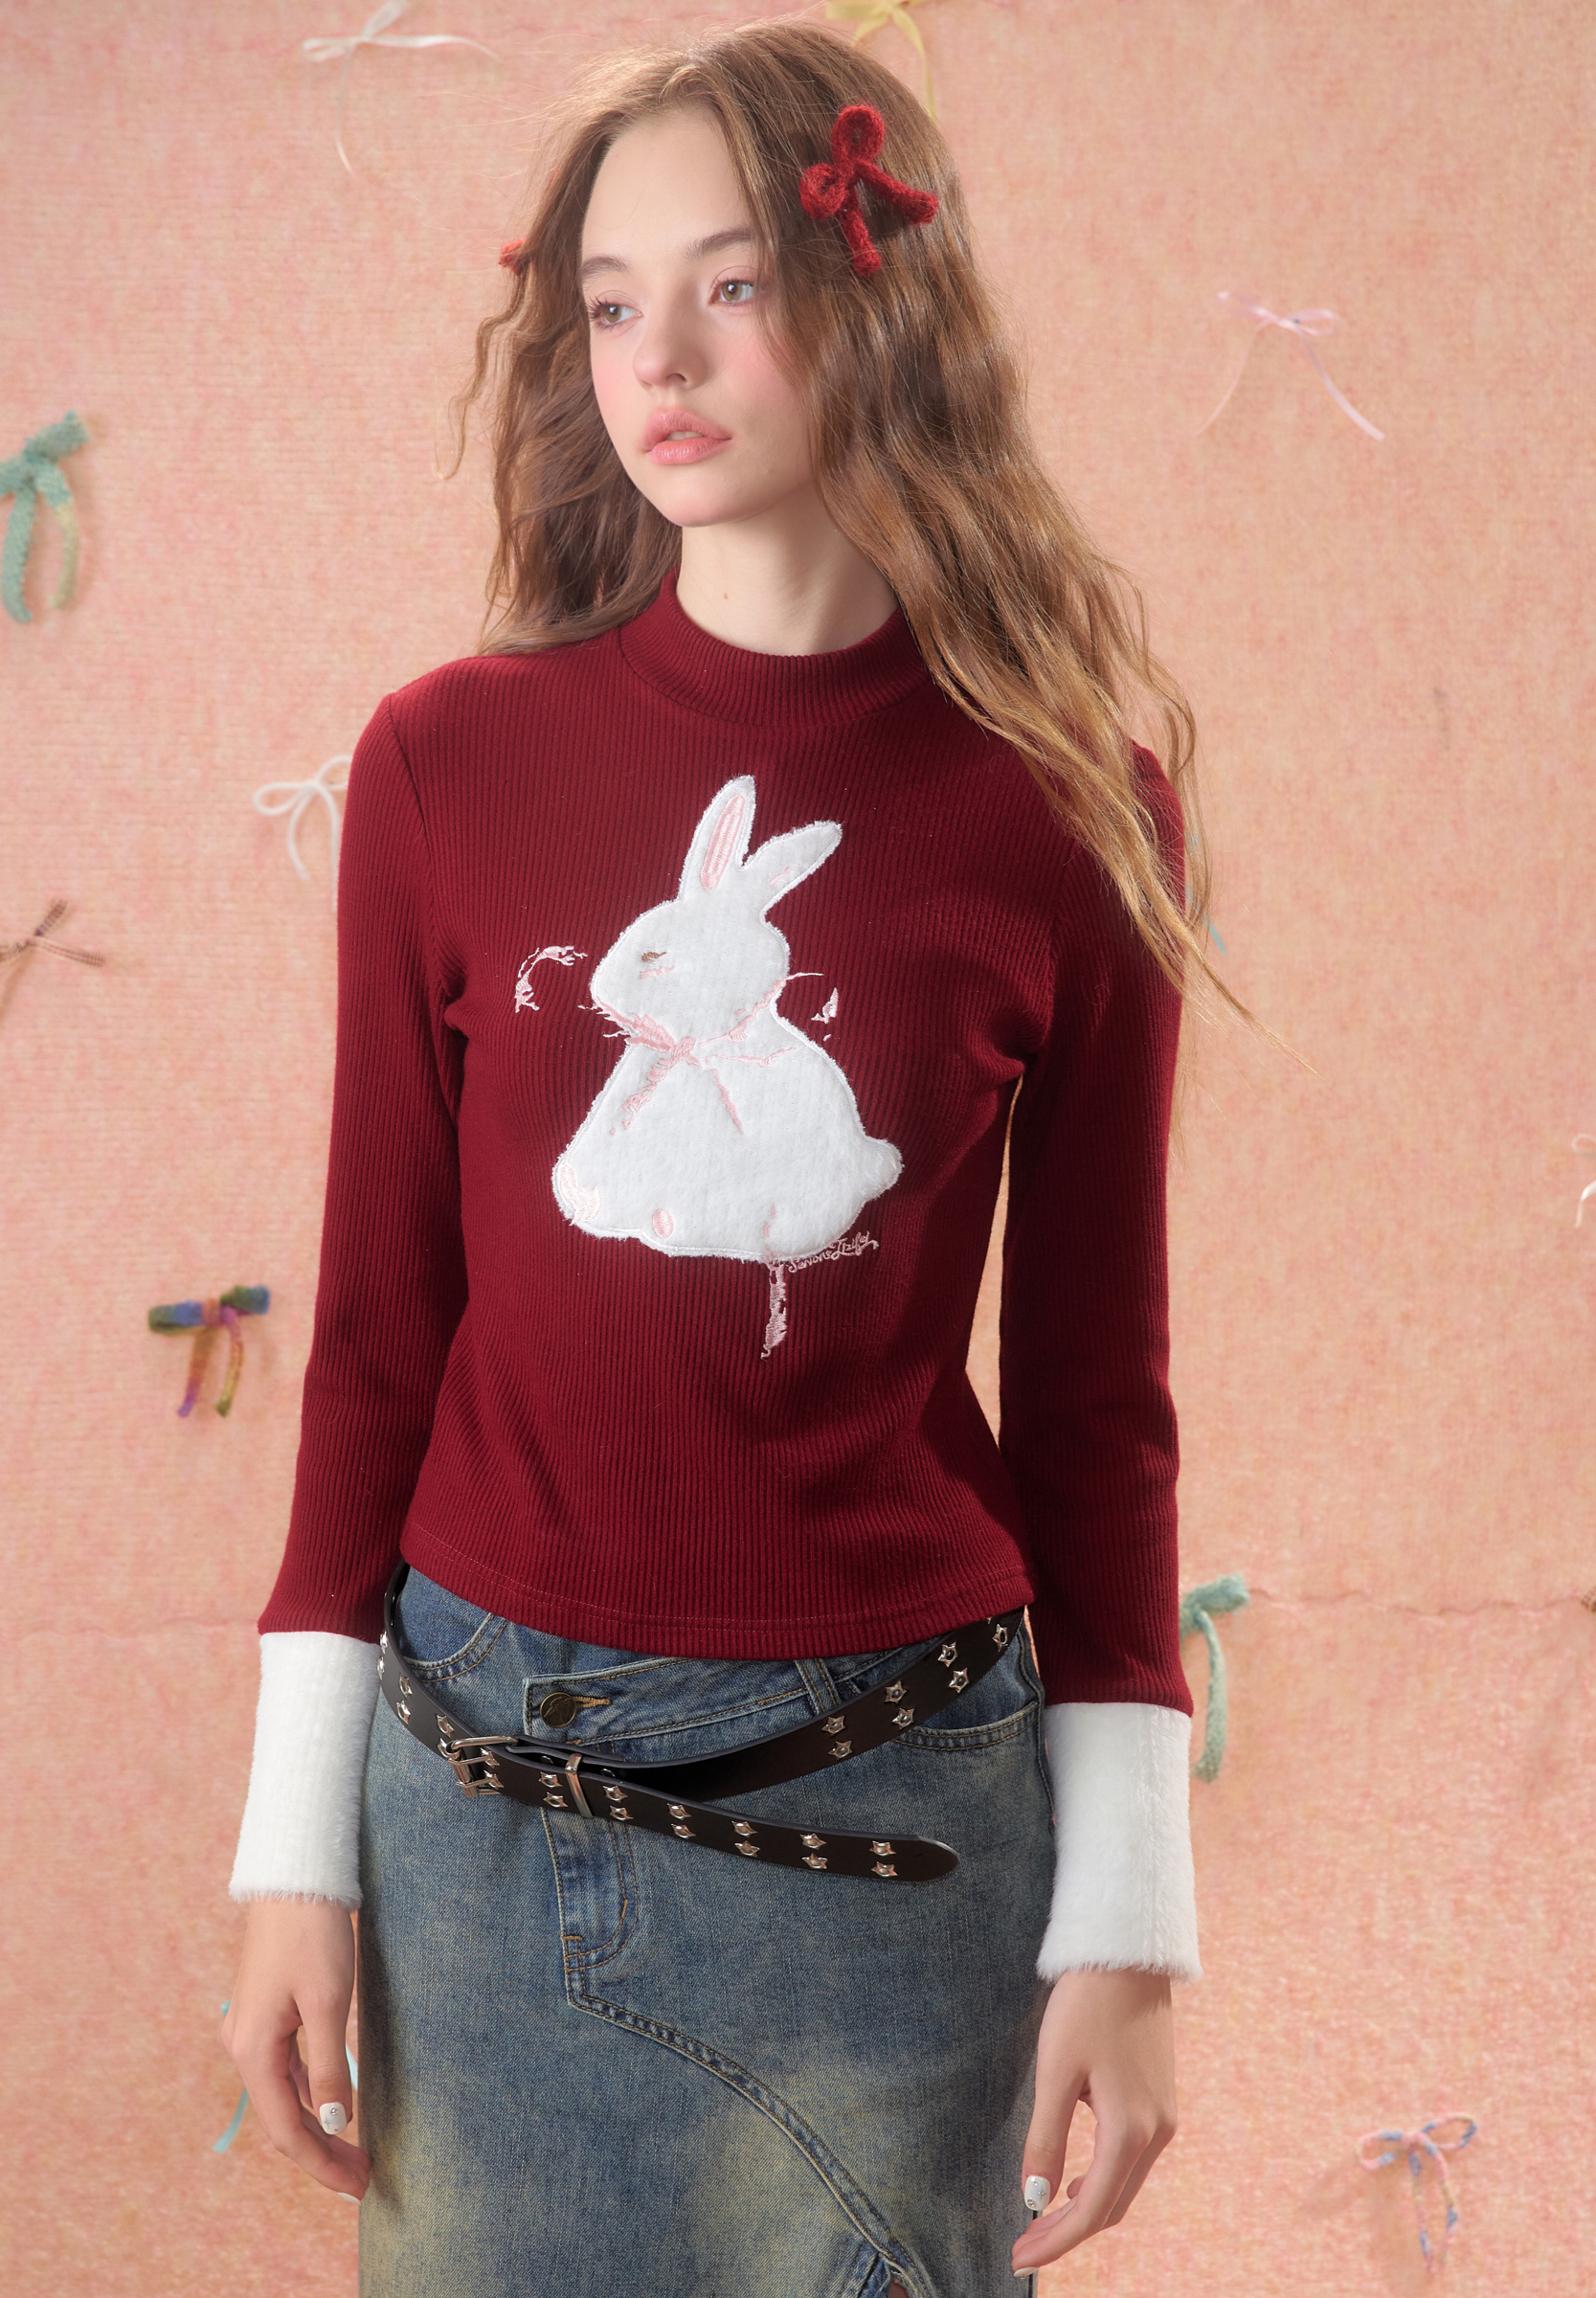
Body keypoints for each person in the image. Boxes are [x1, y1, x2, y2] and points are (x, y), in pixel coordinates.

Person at [222, 21, 1232, 2295]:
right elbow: (378, 1336)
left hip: (900, 1819)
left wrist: (1132, 1915)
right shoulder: (446, 765)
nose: (655, 361)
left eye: (731, 284)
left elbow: (1096, 1393)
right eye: (609, 302)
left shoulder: (1070, 803)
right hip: (478, 1806)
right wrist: (294, 1846)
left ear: (880, 297)